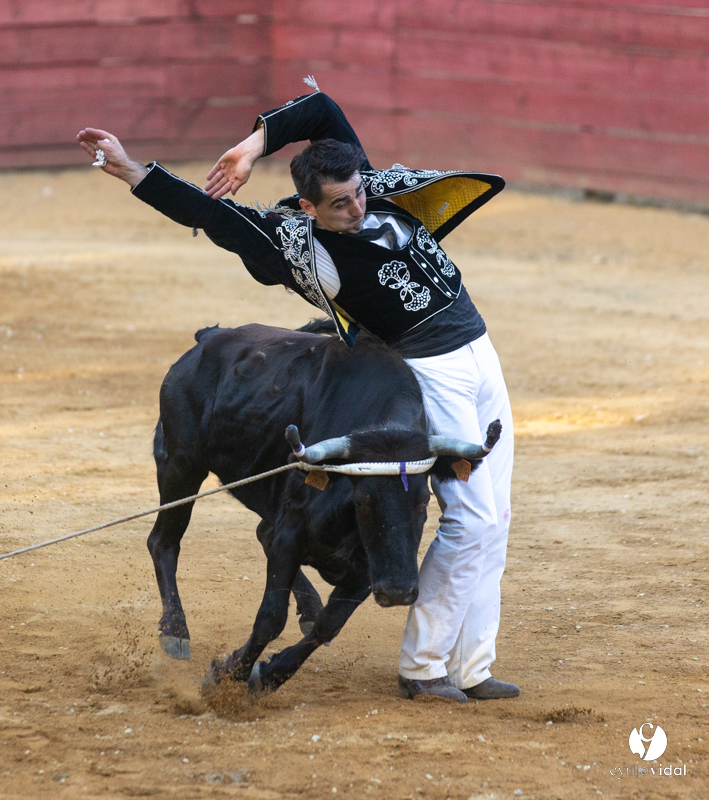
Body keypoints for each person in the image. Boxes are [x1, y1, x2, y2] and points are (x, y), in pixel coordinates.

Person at [76, 83, 518, 703]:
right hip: (428, 368)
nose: (358, 208)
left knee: (495, 516)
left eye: (360, 193)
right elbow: (212, 216)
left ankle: (474, 665)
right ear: (309, 208)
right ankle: (424, 666)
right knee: (469, 520)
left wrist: (253, 145)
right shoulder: (302, 249)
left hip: (479, 348)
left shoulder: (361, 183)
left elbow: (323, 111)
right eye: (339, 205)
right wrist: (131, 171)